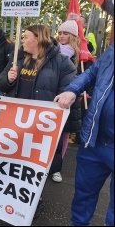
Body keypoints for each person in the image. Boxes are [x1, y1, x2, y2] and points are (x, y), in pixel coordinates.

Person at [0, 24, 77, 219]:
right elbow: (0, 83)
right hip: (15, 124)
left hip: (41, 129)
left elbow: (67, 93)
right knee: (15, 164)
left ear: (38, 39)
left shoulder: (62, 63)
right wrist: (8, 78)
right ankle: (12, 201)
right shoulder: (17, 58)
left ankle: (32, 204)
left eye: (25, 37)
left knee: (34, 168)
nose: (22, 40)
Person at [54, 40, 113, 226]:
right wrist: (72, 90)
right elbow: (91, 73)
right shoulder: (111, 52)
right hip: (93, 141)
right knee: (83, 194)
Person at [53, 19, 82, 183]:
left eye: (65, 33)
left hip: (70, 98)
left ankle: (58, 167)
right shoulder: (53, 51)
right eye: (60, 33)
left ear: (73, 36)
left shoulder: (78, 55)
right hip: (54, 95)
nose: (61, 36)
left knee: (64, 133)